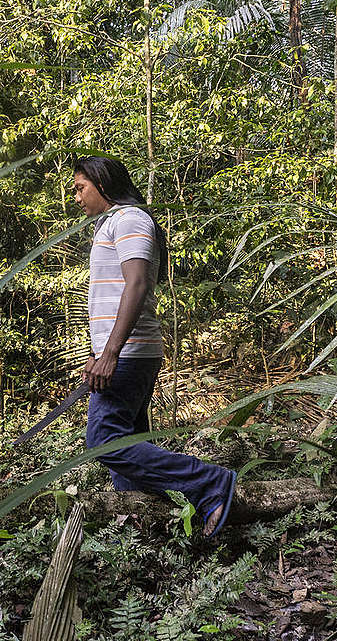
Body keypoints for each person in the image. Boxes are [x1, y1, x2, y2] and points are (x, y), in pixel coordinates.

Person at [73, 156, 237, 538]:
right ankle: (140, 533)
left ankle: (210, 483)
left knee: (103, 442)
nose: (77, 197)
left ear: (102, 184)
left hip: (128, 352)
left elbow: (137, 286)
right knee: (129, 446)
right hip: (124, 352)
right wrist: (100, 354)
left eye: (81, 188)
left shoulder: (129, 219)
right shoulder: (112, 224)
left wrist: (111, 354)